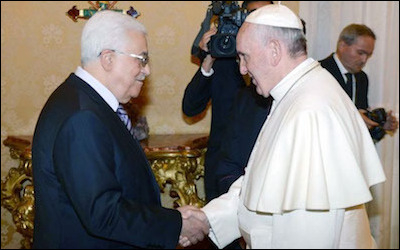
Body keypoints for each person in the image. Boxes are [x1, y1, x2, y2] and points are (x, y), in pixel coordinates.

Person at [179, 4, 386, 249]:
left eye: (245, 56)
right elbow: (259, 180)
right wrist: (208, 218)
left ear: (274, 50)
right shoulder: (295, 93)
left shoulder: (310, 111)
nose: (242, 68)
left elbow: (307, 236)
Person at [32, 10, 207, 249]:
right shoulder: (83, 116)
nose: (147, 70)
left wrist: (171, 220)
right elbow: (103, 213)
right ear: (108, 58)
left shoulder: (86, 102)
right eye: (141, 59)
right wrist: (175, 224)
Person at [182, 1, 273, 202]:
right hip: (223, 172)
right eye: (251, 16)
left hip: (268, 173)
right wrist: (208, 59)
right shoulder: (222, 59)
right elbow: (190, 107)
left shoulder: (279, 63)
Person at [320, 24, 398, 141]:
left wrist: (379, 125)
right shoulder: (319, 72)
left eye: (368, 55)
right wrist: (354, 117)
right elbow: (317, 117)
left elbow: (361, 120)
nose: (364, 60)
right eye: (360, 53)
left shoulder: (362, 78)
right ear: (342, 45)